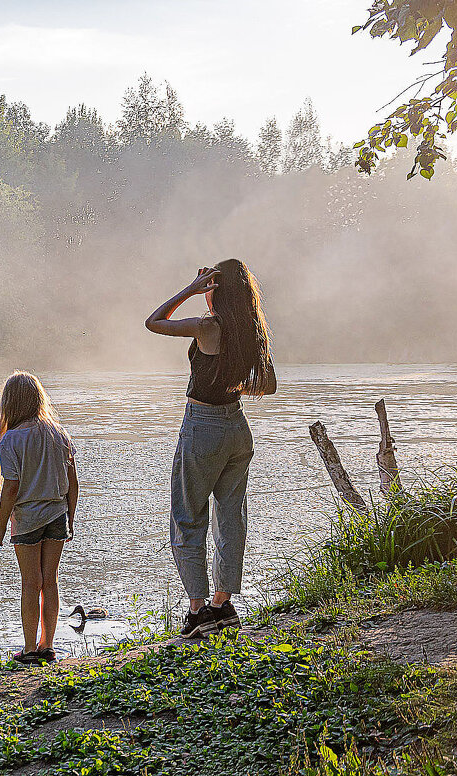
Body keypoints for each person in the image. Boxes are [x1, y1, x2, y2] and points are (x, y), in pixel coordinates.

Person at [146, 259, 276, 639]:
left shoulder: (208, 327)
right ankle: (223, 604)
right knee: (231, 517)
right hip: (238, 427)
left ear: (216, 289)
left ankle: (198, 609)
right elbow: (268, 386)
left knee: (187, 517)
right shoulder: (254, 332)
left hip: (202, 427)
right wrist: (233, 386)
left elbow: (153, 322)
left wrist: (191, 289)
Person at [0, 371, 79, 665]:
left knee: (30, 582)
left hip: (27, 518)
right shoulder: (58, 433)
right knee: (50, 580)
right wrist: (71, 518)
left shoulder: (11, 439)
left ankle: (28, 650)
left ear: (9, 404)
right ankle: (47, 645)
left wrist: (0, 526)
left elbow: (11, 486)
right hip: (56, 514)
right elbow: (73, 480)